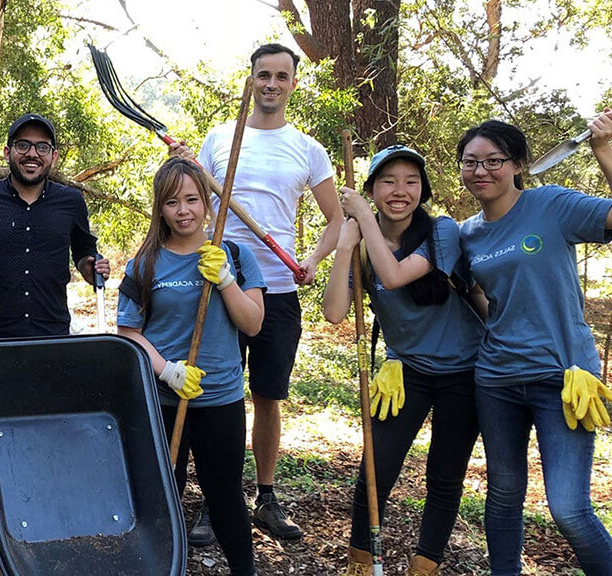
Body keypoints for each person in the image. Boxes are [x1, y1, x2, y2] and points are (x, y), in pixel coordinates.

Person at [169, 42, 343, 543]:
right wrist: (187, 165)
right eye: (262, 75)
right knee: (216, 397)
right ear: (250, 80)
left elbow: (335, 218)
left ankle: (265, 496)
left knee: (267, 396)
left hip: (279, 287)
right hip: (219, 286)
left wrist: (312, 259)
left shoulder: (308, 149)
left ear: (293, 83)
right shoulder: (221, 139)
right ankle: (215, 498)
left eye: (280, 76)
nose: (270, 84)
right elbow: (191, 196)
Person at [456, 120, 612, 575]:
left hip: (563, 378)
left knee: (568, 508)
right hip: (497, 379)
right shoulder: (468, 234)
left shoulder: (550, 204)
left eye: (493, 161)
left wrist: (604, 149)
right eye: (470, 162)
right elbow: (479, 296)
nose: (480, 171)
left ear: (518, 165)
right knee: (503, 494)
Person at [323, 145, 483, 576]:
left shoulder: (442, 233)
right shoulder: (360, 242)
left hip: (463, 372)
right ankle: (360, 561)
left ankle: (424, 565)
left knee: (445, 477)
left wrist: (361, 217)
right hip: (404, 370)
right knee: (375, 468)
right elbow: (335, 312)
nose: (400, 191)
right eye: (388, 181)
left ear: (423, 190)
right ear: (372, 188)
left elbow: (393, 277)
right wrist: (343, 247)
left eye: (411, 182)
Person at [116, 157, 265, 576]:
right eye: (172, 202)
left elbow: (253, 324)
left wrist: (226, 280)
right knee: (162, 494)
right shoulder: (144, 264)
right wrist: (167, 370)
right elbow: (129, 332)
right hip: (162, 400)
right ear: (159, 209)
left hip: (220, 398)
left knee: (225, 497)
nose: (183, 211)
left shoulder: (235, 254)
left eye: (192, 200)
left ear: (206, 203)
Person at [0, 113, 110, 339]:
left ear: (53, 156)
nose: (32, 154)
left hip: (54, 334)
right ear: (8, 153)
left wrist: (91, 269)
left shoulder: (71, 201)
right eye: (23, 145)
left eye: (42, 147)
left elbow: (85, 254)